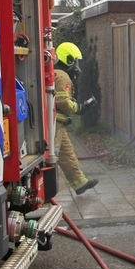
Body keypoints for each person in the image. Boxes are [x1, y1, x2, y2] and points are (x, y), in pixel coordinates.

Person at [53, 41, 98, 195]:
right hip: (55, 123)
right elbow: (63, 102)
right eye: (75, 61)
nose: (77, 65)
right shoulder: (63, 76)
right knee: (54, 155)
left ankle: (80, 183)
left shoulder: (56, 73)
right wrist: (80, 108)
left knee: (67, 153)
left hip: (57, 122)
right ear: (69, 60)